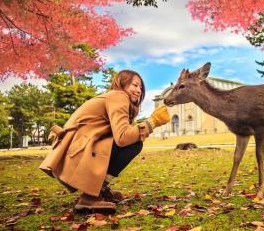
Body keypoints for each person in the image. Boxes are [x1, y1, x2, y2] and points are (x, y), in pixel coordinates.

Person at [39, 70, 170, 211]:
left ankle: (98, 190)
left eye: (141, 88)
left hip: (73, 152)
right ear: (122, 83)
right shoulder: (119, 96)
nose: (139, 91)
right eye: (135, 85)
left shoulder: (112, 97)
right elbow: (123, 137)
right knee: (135, 144)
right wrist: (152, 123)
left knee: (133, 140)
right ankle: (90, 196)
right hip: (77, 152)